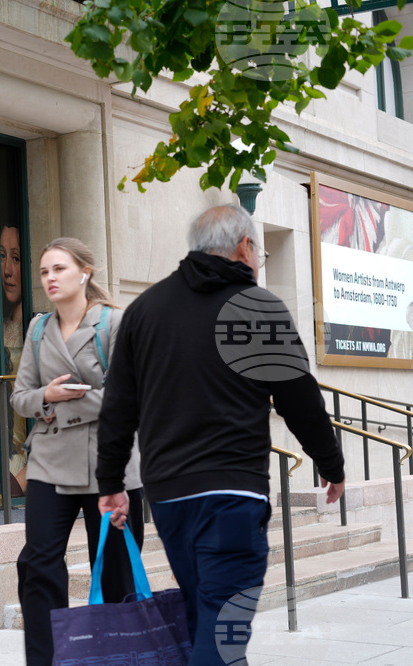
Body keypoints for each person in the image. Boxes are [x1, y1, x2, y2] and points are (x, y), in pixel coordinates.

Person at [96, 204, 346, 665]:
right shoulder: (257, 307)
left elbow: (117, 407)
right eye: (259, 253)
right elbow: (300, 400)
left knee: (205, 617)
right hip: (234, 495)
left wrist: (111, 482)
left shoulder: (145, 310)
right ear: (244, 247)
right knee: (223, 629)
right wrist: (331, 463)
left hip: (169, 496)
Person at [11, 237, 143, 666]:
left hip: (110, 463)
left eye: (59, 269)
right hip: (49, 462)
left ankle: (118, 658)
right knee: (38, 566)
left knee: (117, 570)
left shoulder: (115, 323)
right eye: (44, 271)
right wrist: (47, 396)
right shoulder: (38, 329)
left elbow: (130, 396)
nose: (49, 278)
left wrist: (62, 404)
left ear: (84, 272)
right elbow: (21, 398)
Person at [0, 222, 29, 496]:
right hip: (3, 460)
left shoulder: (37, 329)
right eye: (2, 256)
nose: (7, 269)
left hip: (27, 464)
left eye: (16, 258)